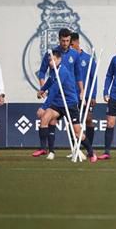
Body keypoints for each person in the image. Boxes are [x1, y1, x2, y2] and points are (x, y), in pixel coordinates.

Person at [36, 50, 96, 162]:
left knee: (77, 132)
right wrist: (42, 90)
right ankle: (44, 148)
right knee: (45, 118)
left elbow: (54, 91)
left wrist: (43, 107)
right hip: (58, 104)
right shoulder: (54, 70)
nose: (50, 62)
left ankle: (91, 152)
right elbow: (50, 81)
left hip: (70, 103)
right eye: (49, 60)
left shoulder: (62, 71)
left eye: (53, 60)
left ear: (59, 59)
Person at [33, 28, 82, 157]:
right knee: (50, 119)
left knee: (73, 124)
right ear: (59, 39)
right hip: (55, 93)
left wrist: (81, 91)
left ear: (70, 40)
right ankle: (50, 151)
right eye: (63, 40)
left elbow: (78, 74)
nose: (65, 43)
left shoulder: (75, 54)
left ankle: (76, 149)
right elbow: (42, 71)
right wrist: (42, 87)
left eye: (67, 41)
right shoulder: (52, 53)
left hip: (69, 94)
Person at [71, 33, 97, 148]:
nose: (70, 47)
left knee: (88, 119)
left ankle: (89, 147)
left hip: (86, 95)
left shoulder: (88, 59)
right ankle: (75, 149)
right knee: (74, 122)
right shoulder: (69, 59)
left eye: (72, 44)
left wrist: (93, 95)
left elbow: (94, 77)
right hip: (72, 95)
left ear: (77, 42)